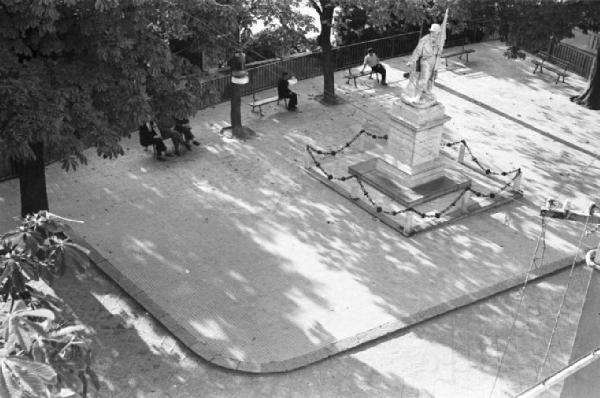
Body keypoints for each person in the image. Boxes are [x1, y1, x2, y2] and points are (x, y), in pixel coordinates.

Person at [404, 23, 443, 104]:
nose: (438, 34)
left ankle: (426, 90)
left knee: (431, 77)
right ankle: (417, 96)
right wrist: (412, 60)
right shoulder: (424, 40)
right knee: (424, 79)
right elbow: (417, 51)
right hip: (425, 61)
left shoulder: (438, 40)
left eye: (438, 33)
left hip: (433, 60)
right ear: (433, 32)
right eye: (437, 33)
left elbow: (438, 51)